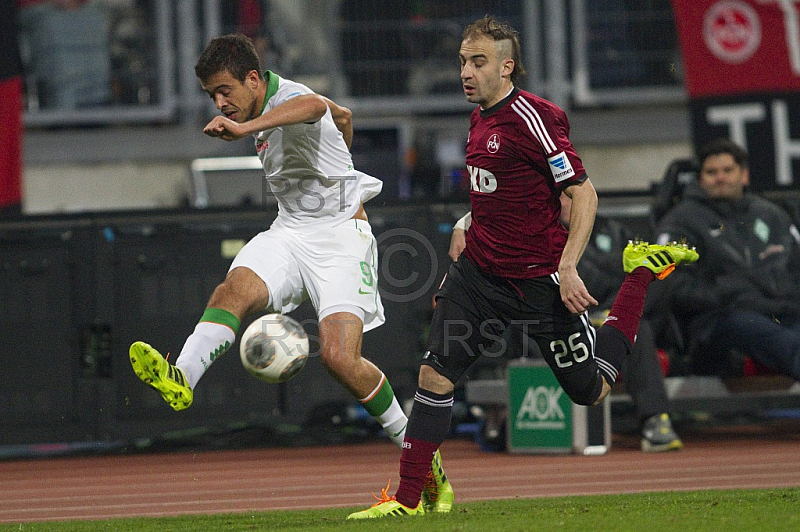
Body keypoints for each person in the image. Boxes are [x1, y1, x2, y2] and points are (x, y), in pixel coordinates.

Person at [347, 16, 698, 519]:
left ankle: (639, 274)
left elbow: (582, 192)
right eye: (463, 61)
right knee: (435, 373)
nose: (466, 71)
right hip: (480, 275)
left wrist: (570, 266)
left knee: (591, 390)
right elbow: (502, 189)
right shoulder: (478, 119)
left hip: (540, 280)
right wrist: (468, 220)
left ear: (506, 66)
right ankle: (409, 500)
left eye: (478, 61)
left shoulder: (537, 118)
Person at [127, 34, 452, 513]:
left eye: (225, 89)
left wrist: (247, 129)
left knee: (340, 360)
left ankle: (425, 466)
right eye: (211, 95)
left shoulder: (287, 99)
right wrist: (339, 149)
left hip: (342, 237)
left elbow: (316, 106)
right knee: (233, 288)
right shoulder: (262, 110)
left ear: (254, 79)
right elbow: (341, 116)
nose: (220, 101)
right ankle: (184, 379)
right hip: (290, 232)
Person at [446, 195, 684, 453]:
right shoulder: (535, 236)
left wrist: (612, 310)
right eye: (561, 197)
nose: (568, 203)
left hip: (609, 320)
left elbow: (638, 281)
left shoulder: (614, 232)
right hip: (557, 324)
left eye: (573, 196)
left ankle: (655, 422)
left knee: (643, 321)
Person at [655, 138, 800, 381]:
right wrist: (726, 292)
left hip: (781, 310)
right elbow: (670, 284)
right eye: (711, 172)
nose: (720, 177)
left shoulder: (774, 215)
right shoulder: (680, 222)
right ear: (700, 178)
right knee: (781, 340)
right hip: (719, 320)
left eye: (728, 170)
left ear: (744, 175)